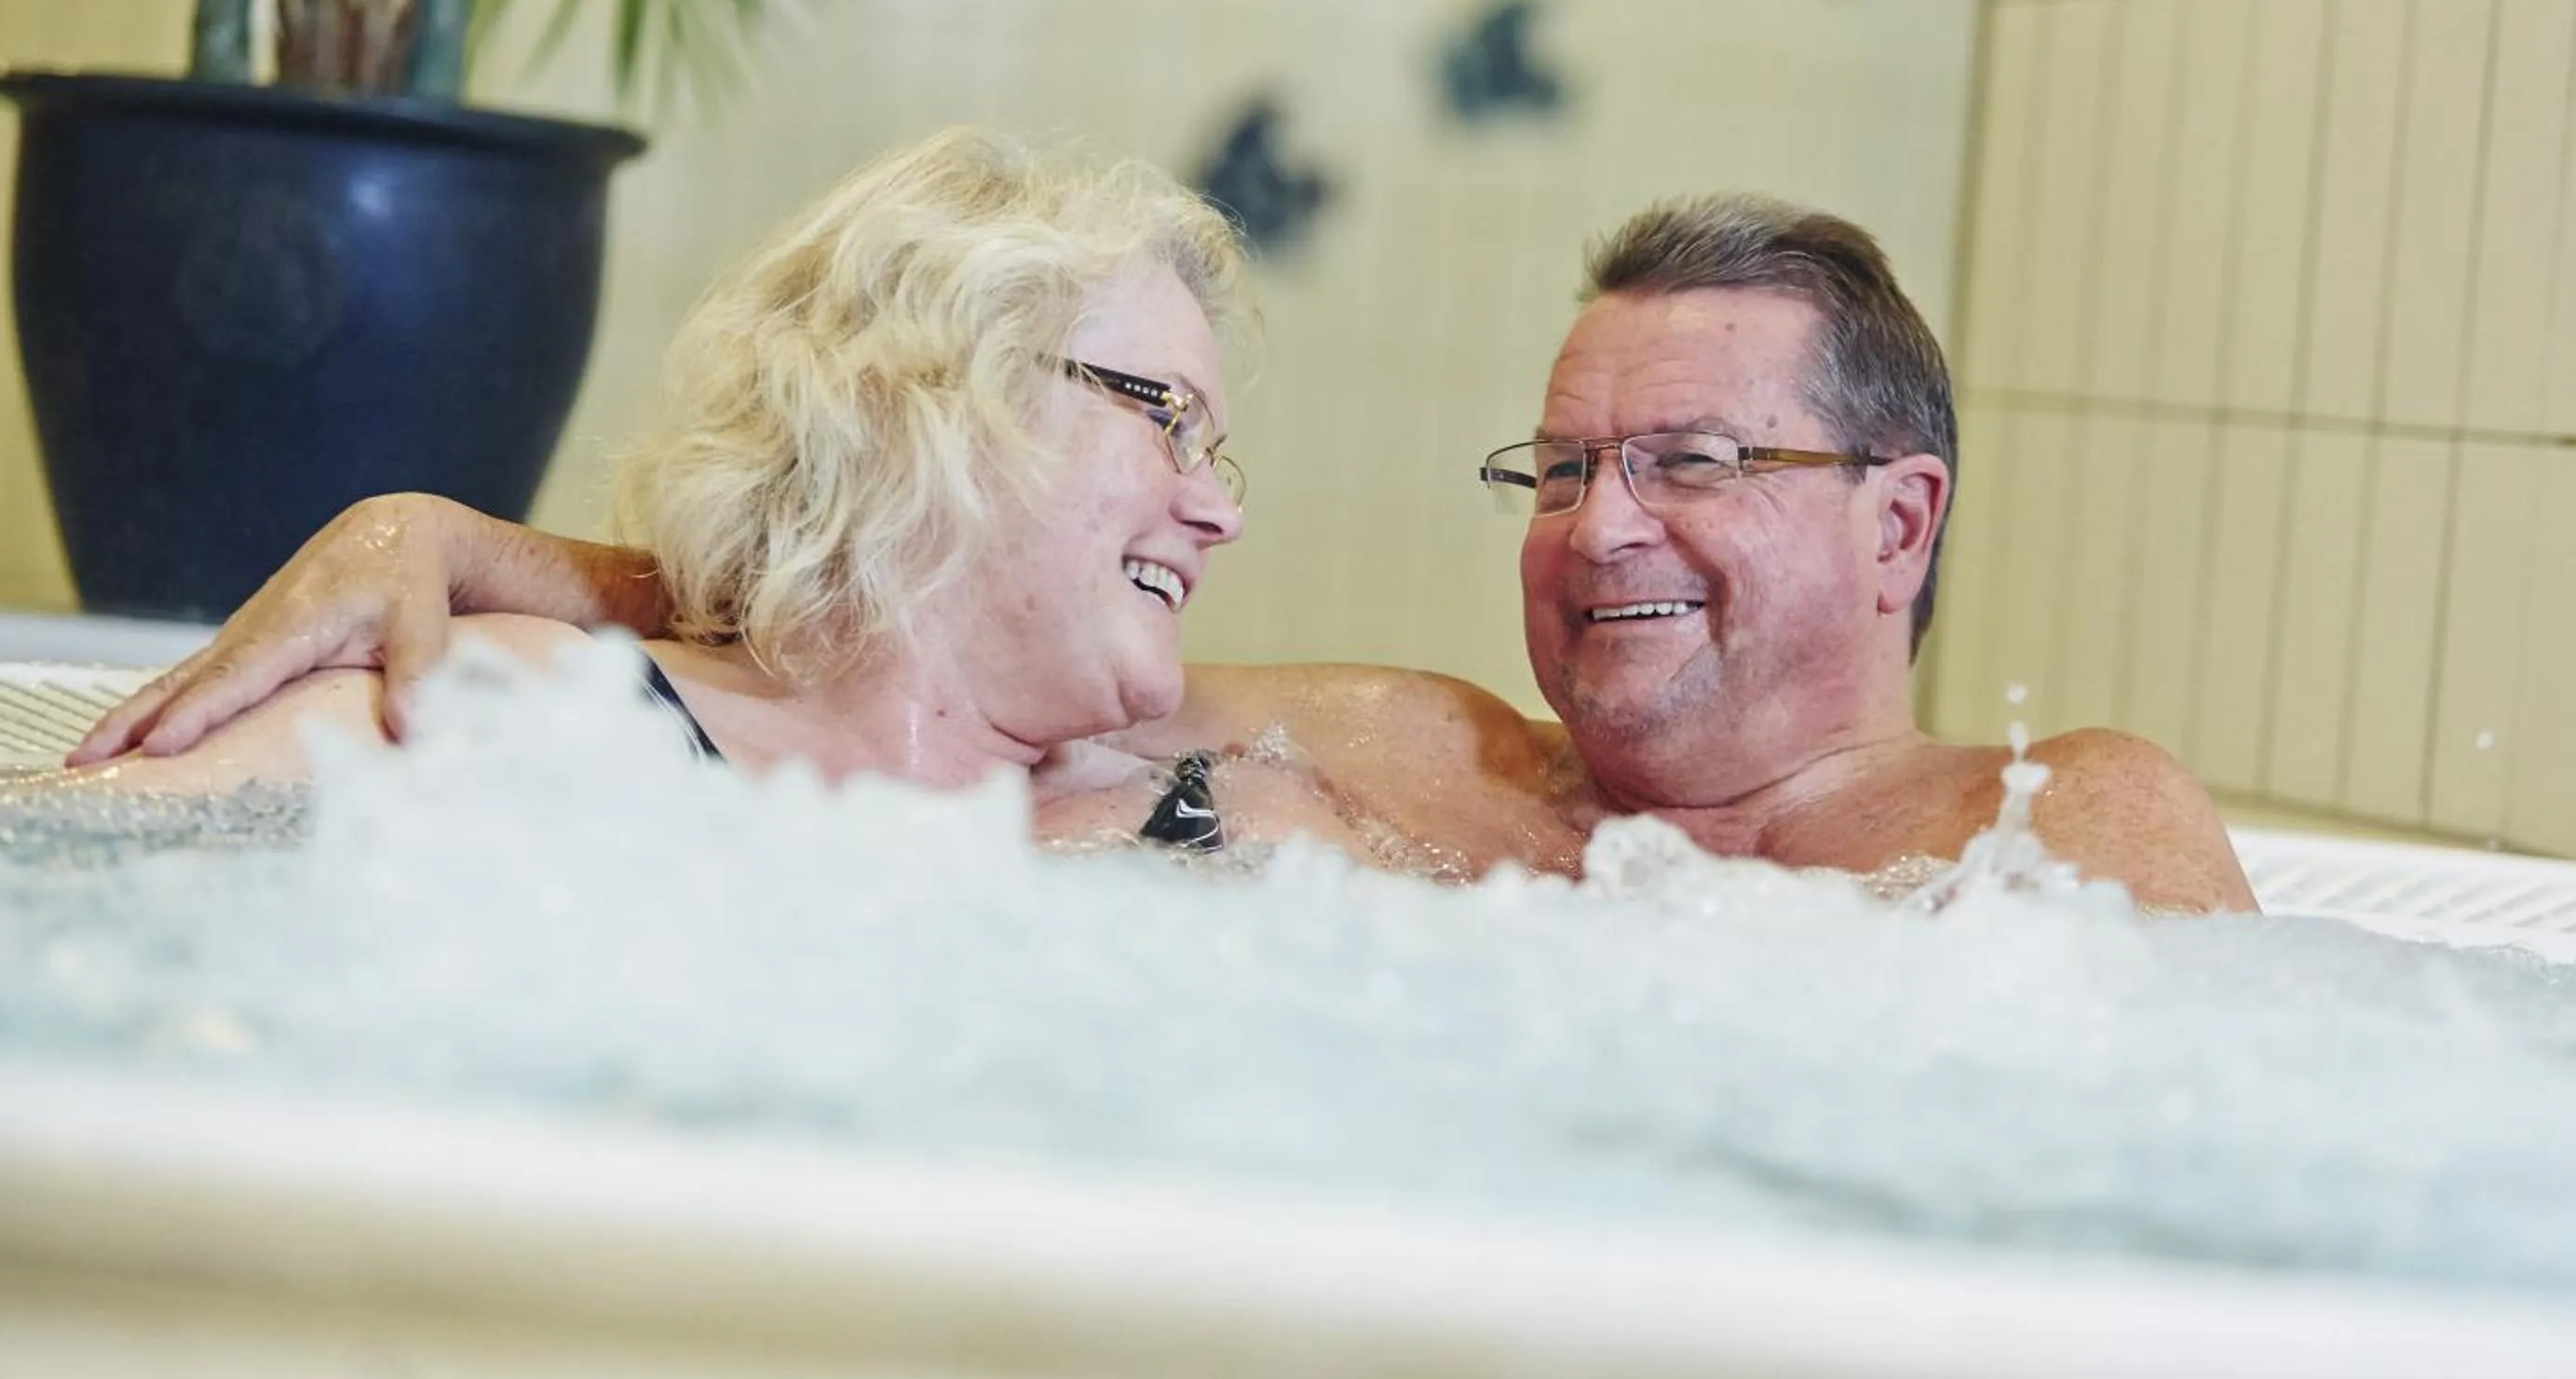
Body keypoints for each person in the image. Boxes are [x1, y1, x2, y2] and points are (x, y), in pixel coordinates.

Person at [73, 192, 2256, 912]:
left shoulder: (2064, 830)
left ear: (1903, 520)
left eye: (1689, 459)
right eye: (1562, 465)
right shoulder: (1424, 760)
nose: (1600, 529)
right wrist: (458, 542)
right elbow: (905, 636)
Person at [34, 128, 1494, 872]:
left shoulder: (1236, 846)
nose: (1218, 511)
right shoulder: (512, 722)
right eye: (1165, 416)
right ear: (927, 398)